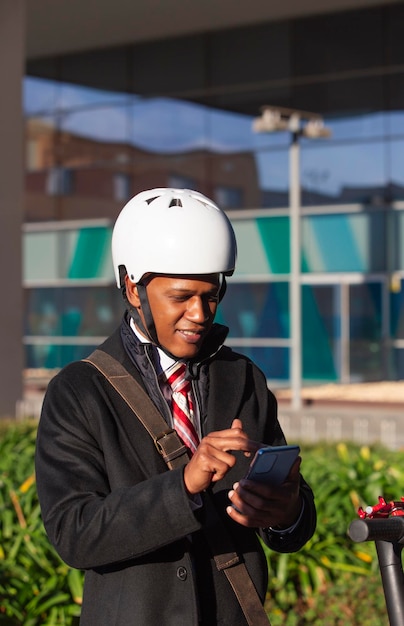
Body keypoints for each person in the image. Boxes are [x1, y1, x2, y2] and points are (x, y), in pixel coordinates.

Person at [35, 188, 316, 626]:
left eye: (211, 295)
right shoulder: (77, 391)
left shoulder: (244, 377)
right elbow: (75, 533)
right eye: (181, 296)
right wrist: (183, 484)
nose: (200, 313)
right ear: (133, 288)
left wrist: (289, 512)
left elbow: (290, 526)